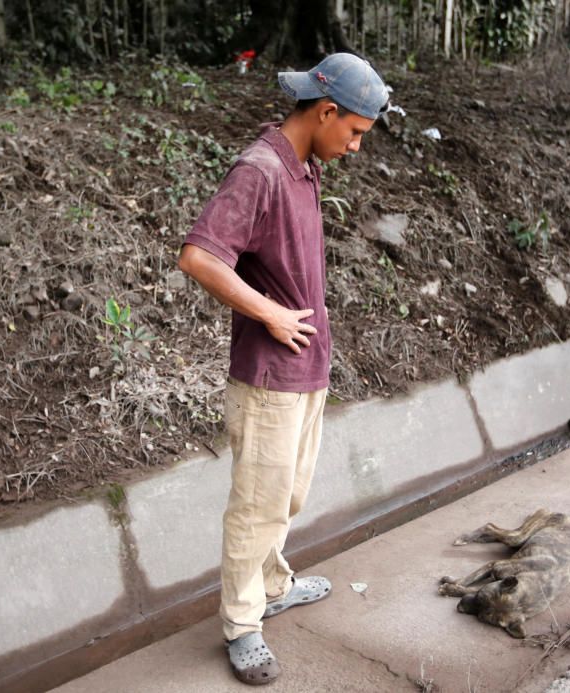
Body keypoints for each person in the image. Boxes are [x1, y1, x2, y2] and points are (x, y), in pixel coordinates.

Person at [178, 53, 388, 686]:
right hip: (269, 378)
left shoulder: (303, 167)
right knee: (257, 505)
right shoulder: (261, 169)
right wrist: (269, 312)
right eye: (352, 132)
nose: (353, 147)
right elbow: (199, 257)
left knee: (286, 496)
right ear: (325, 111)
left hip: (306, 371)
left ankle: (271, 585)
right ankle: (242, 625)